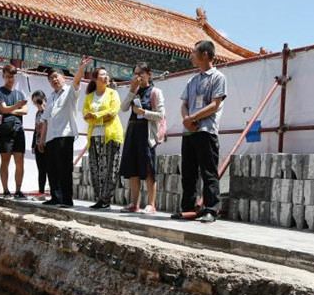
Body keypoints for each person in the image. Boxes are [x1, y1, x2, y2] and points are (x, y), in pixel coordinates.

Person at [174, 40, 227, 223]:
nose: (191, 56)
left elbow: (215, 104)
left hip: (206, 131)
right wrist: (186, 120)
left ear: (205, 54)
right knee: (188, 172)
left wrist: (193, 118)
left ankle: (211, 209)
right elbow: (184, 104)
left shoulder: (218, 77)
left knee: (208, 172)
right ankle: (188, 208)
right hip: (189, 131)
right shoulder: (192, 79)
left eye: (194, 52)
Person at [42, 56, 89, 208]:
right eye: (51, 79)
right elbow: (45, 119)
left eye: (56, 76)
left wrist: (81, 69)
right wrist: (41, 139)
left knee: (64, 169)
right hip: (51, 137)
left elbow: (76, 82)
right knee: (52, 169)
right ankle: (55, 197)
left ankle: (67, 200)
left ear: (63, 77)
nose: (54, 80)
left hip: (65, 135)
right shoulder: (51, 97)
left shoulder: (69, 91)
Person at [119, 62, 165, 213]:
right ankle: (134, 203)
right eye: (136, 73)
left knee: (148, 169)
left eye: (141, 73)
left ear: (149, 74)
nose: (138, 76)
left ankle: (151, 204)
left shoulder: (155, 92)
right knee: (132, 169)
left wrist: (144, 113)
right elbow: (124, 108)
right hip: (132, 131)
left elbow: (161, 115)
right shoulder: (135, 90)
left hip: (146, 133)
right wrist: (132, 90)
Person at [82, 65, 123, 210]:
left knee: (110, 168)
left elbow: (112, 112)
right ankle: (99, 198)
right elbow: (85, 115)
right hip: (94, 136)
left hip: (111, 135)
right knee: (96, 168)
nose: (106, 77)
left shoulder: (113, 93)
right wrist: (99, 117)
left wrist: (96, 116)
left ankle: (106, 199)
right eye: (102, 74)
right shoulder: (89, 97)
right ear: (95, 78)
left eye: (107, 74)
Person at [0, 64, 28, 199]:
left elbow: (25, 111)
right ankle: (6, 190)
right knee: (5, 161)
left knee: (20, 161)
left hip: (18, 129)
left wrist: (11, 109)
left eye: (12, 76)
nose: (10, 79)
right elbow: (2, 109)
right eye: (7, 76)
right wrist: (17, 106)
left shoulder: (20, 93)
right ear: (3, 76)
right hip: (4, 131)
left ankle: (18, 190)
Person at [31, 89, 49, 198]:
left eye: (38, 101)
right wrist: (34, 144)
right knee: (41, 169)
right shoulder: (38, 113)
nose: (37, 104)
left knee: (49, 169)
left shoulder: (48, 110)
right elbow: (36, 129)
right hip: (38, 143)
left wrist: (44, 108)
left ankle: (54, 192)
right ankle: (41, 192)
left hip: (47, 143)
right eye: (34, 102)